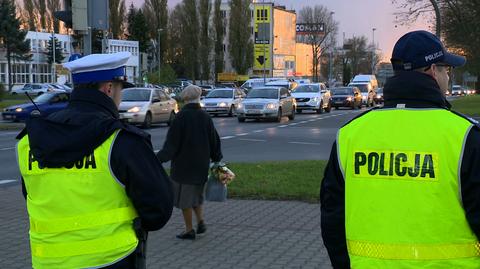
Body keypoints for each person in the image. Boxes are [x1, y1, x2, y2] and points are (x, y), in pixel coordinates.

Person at [321, 30, 480, 269]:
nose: (448, 75)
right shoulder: (465, 136)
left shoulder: (351, 134)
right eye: (446, 69)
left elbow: (332, 221)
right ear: (432, 72)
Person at [16, 52, 174, 268]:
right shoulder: (122, 140)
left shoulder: (28, 141)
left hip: (48, 261)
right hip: (111, 260)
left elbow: (32, 195)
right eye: (120, 89)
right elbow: (158, 211)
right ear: (108, 88)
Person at [157, 85, 223, 240]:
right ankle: (200, 222)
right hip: (201, 165)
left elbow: (171, 145)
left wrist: (158, 159)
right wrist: (217, 157)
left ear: (185, 99)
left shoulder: (181, 118)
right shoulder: (205, 117)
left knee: (185, 199)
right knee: (197, 196)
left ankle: (189, 230)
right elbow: (214, 140)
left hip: (183, 166)